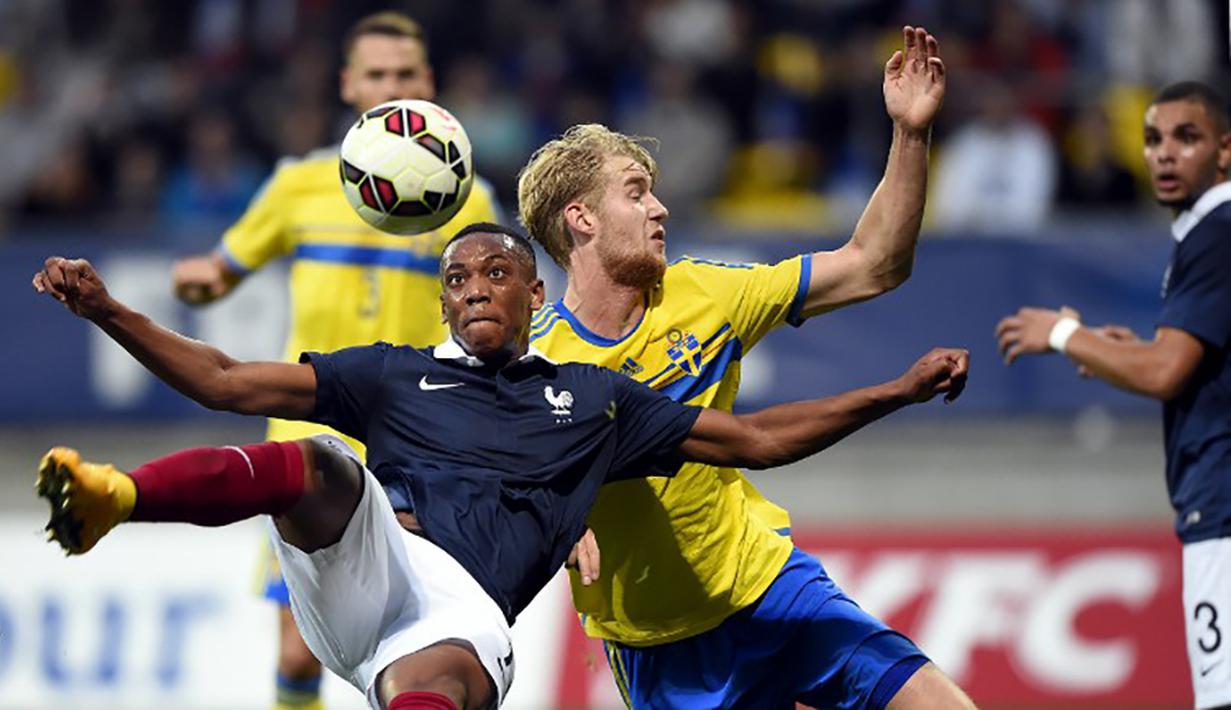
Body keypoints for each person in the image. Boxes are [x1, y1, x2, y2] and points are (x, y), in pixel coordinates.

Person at [32, 224, 970, 710]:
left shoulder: (595, 401)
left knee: (433, 684)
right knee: (311, 460)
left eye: (493, 273)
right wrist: (109, 310)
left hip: (457, 611)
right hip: (375, 561)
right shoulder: (392, 376)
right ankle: (118, 495)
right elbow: (228, 378)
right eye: (456, 279)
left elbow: (758, 438)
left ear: (533, 289)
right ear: (442, 303)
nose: (473, 286)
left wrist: (893, 390)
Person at [516, 25, 975, 708]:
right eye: (636, 192)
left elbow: (874, 264)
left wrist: (909, 135)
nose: (659, 206)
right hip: (661, 649)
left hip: (772, 588)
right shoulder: (538, 366)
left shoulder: (705, 293)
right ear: (579, 219)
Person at [171, 12, 501, 709]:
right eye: (376, 74)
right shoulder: (298, 186)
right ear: (349, 84)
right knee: (297, 649)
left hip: (418, 449)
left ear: (428, 84)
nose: (390, 86)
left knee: (414, 652)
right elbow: (223, 270)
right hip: (307, 442)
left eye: (404, 74)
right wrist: (193, 280)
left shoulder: (464, 193)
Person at [995, 81, 1231, 710]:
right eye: (1153, 139)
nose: (1164, 154)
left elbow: (1165, 373)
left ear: (1226, 150)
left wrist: (1065, 334)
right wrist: (1126, 350)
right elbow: (1191, 363)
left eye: (1187, 137)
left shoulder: (1216, 230)